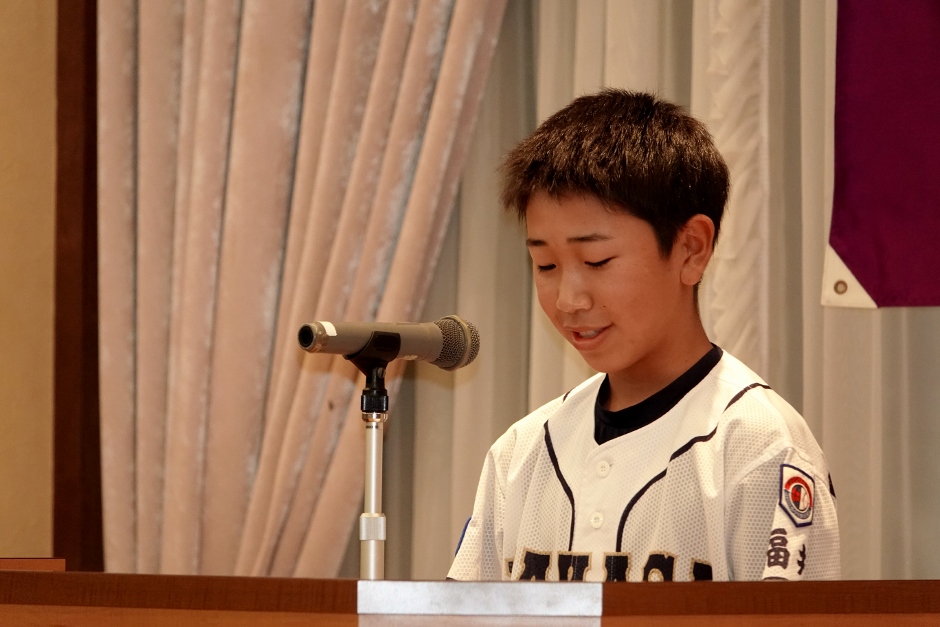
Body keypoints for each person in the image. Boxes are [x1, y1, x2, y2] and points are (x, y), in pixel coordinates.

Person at [447, 90, 840, 582]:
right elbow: (462, 611)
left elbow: (795, 614)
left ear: (691, 249)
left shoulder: (759, 446)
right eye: (545, 264)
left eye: (597, 261)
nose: (568, 299)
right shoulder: (521, 451)